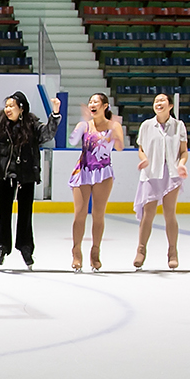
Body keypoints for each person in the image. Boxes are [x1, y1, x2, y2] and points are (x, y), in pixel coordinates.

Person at [0, 90, 59, 269]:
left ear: (22, 108)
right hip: (4, 174)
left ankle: (26, 247)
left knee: (25, 213)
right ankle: (1, 247)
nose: (8, 109)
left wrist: (55, 114)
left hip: (26, 175)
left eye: (12, 106)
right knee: (3, 212)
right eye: (6, 106)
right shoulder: (0, 126)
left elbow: (48, 134)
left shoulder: (33, 126)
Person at [68, 92, 126, 272]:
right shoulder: (84, 125)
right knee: (80, 213)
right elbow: (72, 141)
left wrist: (114, 132)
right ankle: (76, 252)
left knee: (98, 214)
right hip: (83, 171)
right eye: (90, 102)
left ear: (105, 106)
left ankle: (95, 252)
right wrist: (81, 124)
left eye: (96, 102)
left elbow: (120, 147)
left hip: (103, 172)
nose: (92, 105)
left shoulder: (114, 126)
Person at [133, 93, 189, 270]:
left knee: (169, 213)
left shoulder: (179, 126)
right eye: (156, 101)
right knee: (148, 214)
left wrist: (182, 165)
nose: (158, 103)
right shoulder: (147, 125)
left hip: (171, 174)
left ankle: (173, 252)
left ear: (170, 105)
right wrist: (144, 160)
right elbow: (141, 149)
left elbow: (184, 151)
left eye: (162, 100)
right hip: (151, 173)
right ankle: (141, 250)